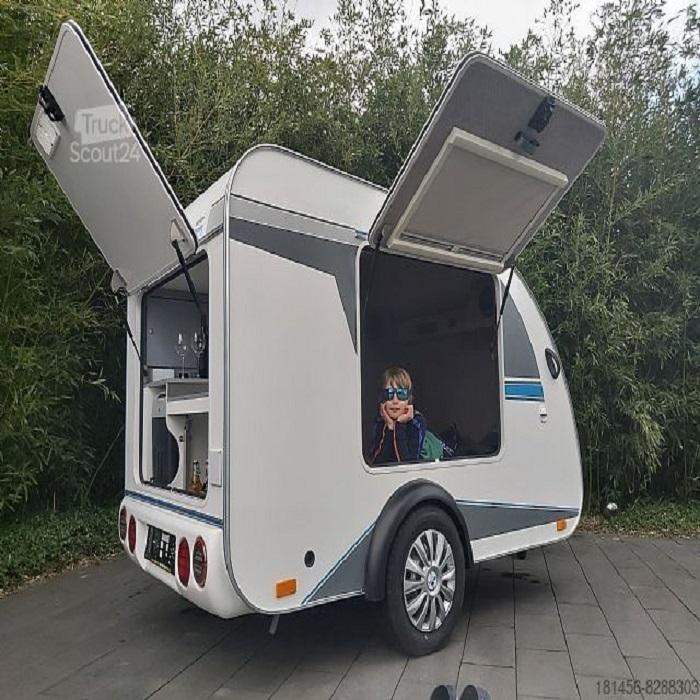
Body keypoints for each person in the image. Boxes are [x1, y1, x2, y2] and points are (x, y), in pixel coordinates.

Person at [369, 367, 426, 465]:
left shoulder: (416, 423)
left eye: (401, 394)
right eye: (389, 394)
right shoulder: (379, 422)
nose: (395, 401)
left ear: (409, 400)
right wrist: (390, 427)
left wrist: (399, 425)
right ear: (382, 399)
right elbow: (376, 464)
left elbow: (408, 465)